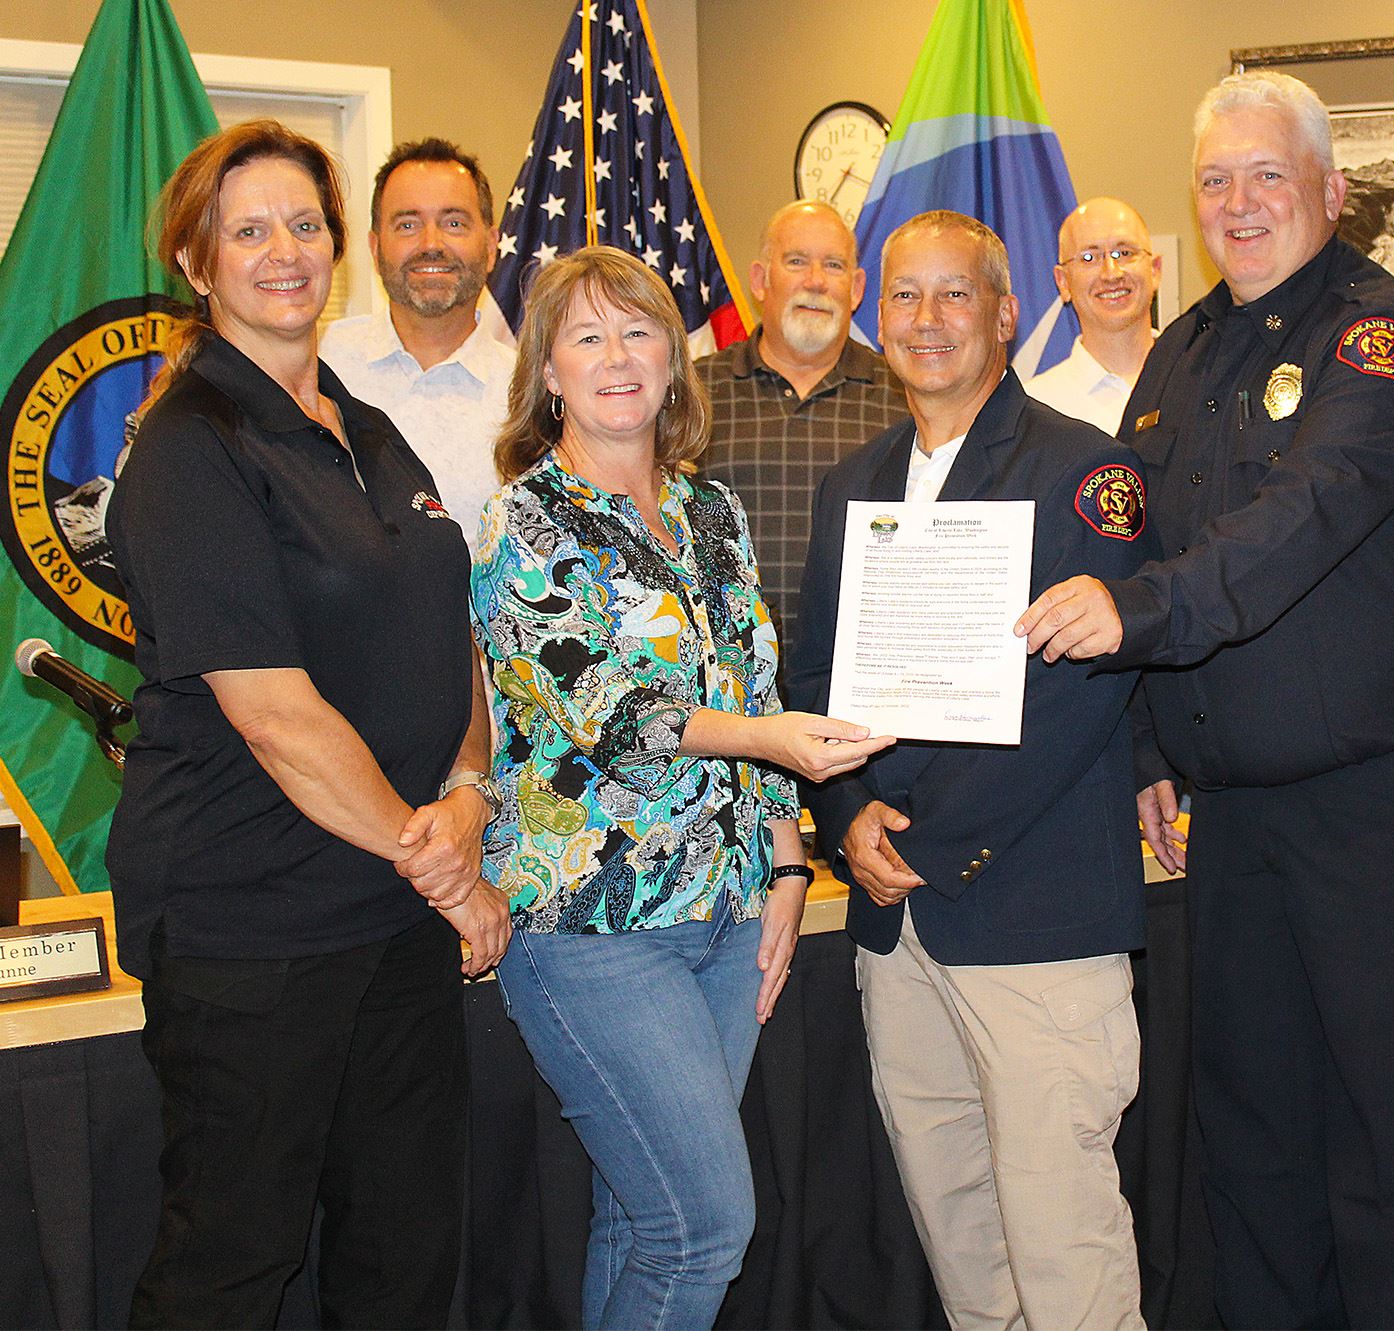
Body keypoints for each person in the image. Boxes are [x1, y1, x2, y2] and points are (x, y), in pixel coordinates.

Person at [1016, 73, 1394, 1329]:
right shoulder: (1178, 354)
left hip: (1384, 813)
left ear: (1332, 192)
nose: (1239, 205)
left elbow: (1306, 517)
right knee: (1257, 1148)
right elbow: (1121, 539)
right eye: (1217, 181)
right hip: (1234, 825)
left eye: (1267, 176)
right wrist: (1142, 743)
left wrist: (1140, 616)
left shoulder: (1381, 337)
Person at [105, 118, 513, 1329]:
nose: (283, 250)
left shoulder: (367, 428)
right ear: (197, 261)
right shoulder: (187, 446)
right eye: (247, 230)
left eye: (303, 223)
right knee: (232, 1262)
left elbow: (454, 635)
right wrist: (438, 862)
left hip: (388, 915)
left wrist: (473, 796)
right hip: (252, 927)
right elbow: (276, 714)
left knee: (402, 1254)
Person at [471, 244, 888, 1329]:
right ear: (548, 372)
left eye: (641, 330)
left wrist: (791, 862)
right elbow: (603, 707)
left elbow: (758, 678)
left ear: (675, 358)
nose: (619, 357)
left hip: (729, 911)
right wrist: (774, 738)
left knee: (643, 1221)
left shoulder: (714, 511)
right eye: (588, 337)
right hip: (593, 924)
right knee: (704, 1225)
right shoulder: (523, 519)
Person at [788, 210, 1157, 1330]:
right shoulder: (854, 481)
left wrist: (918, 840)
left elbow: (1088, 697)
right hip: (898, 926)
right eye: (905, 295)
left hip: (1035, 918)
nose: (929, 320)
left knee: (1067, 1251)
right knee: (962, 1243)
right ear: (874, 313)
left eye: (958, 294)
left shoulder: (1087, 473)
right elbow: (817, 670)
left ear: (1005, 312)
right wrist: (849, 815)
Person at [696, 200, 909, 657]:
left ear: (855, 289)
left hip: (864, 676)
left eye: (833, 265)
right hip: (725, 682)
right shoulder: (692, 393)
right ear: (760, 280)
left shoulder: (906, 398)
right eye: (796, 261)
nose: (815, 280)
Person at [321, 138, 516, 539]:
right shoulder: (321, 364)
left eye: (454, 223)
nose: (431, 245)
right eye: (407, 224)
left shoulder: (530, 391)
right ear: (375, 248)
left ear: (492, 246)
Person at [1025, 196, 1161, 434]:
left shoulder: (1200, 381)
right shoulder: (1033, 409)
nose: (1111, 273)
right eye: (1089, 257)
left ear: (1155, 270)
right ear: (1063, 282)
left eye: (1124, 252)